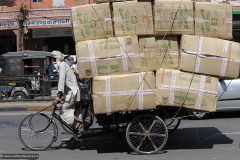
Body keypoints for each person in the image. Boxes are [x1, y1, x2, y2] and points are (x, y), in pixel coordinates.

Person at [50, 50, 84, 135]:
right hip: (71, 93)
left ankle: (80, 124)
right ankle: (78, 125)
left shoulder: (62, 66)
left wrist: (58, 97)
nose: (52, 60)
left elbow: (61, 81)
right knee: (67, 109)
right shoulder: (63, 65)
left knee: (63, 111)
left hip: (72, 93)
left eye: (52, 58)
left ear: (55, 58)